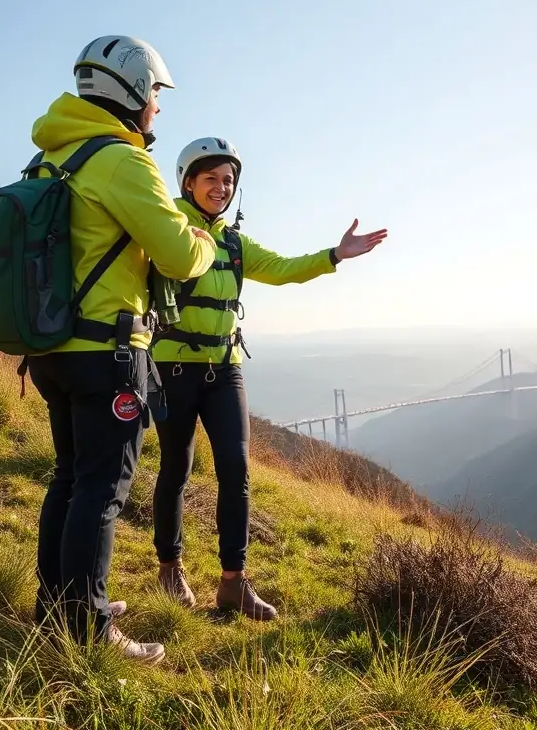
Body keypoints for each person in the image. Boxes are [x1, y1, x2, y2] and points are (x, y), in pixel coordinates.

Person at [27, 37, 215, 662]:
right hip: (106, 352)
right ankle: (90, 628)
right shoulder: (122, 162)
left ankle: (57, 606)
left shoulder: (52, 155)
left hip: (51, 348)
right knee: (103, 487)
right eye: (156, 93)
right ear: (134, 91)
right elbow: (180, 256)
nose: (158, 107)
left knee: (69, 478)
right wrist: (204, 238)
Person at [151, 137, 387, 619]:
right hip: (173, 369)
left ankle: (233, 583)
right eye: (211, 178)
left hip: (225, 370)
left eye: (229, 180)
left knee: (235, 470)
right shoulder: (166, 227)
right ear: (188, 183)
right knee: (176, 468)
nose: (222, 188)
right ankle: (170, 568)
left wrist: (334, 255)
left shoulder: (235, 243)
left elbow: (282, 269)